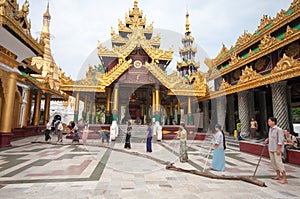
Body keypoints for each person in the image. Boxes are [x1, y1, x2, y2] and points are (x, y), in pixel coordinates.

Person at [264, 117, 287, 184]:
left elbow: (280, 140)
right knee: (273, 162)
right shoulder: (270, 129)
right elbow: (271, 137)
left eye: (269, 121)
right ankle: (278, 175)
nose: (268, 122)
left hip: (276, 149)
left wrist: (279, 149)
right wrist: (267, 139)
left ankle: (284, 178)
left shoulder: (278, 130)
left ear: (273, 122)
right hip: (271, 148)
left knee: (279, 163)